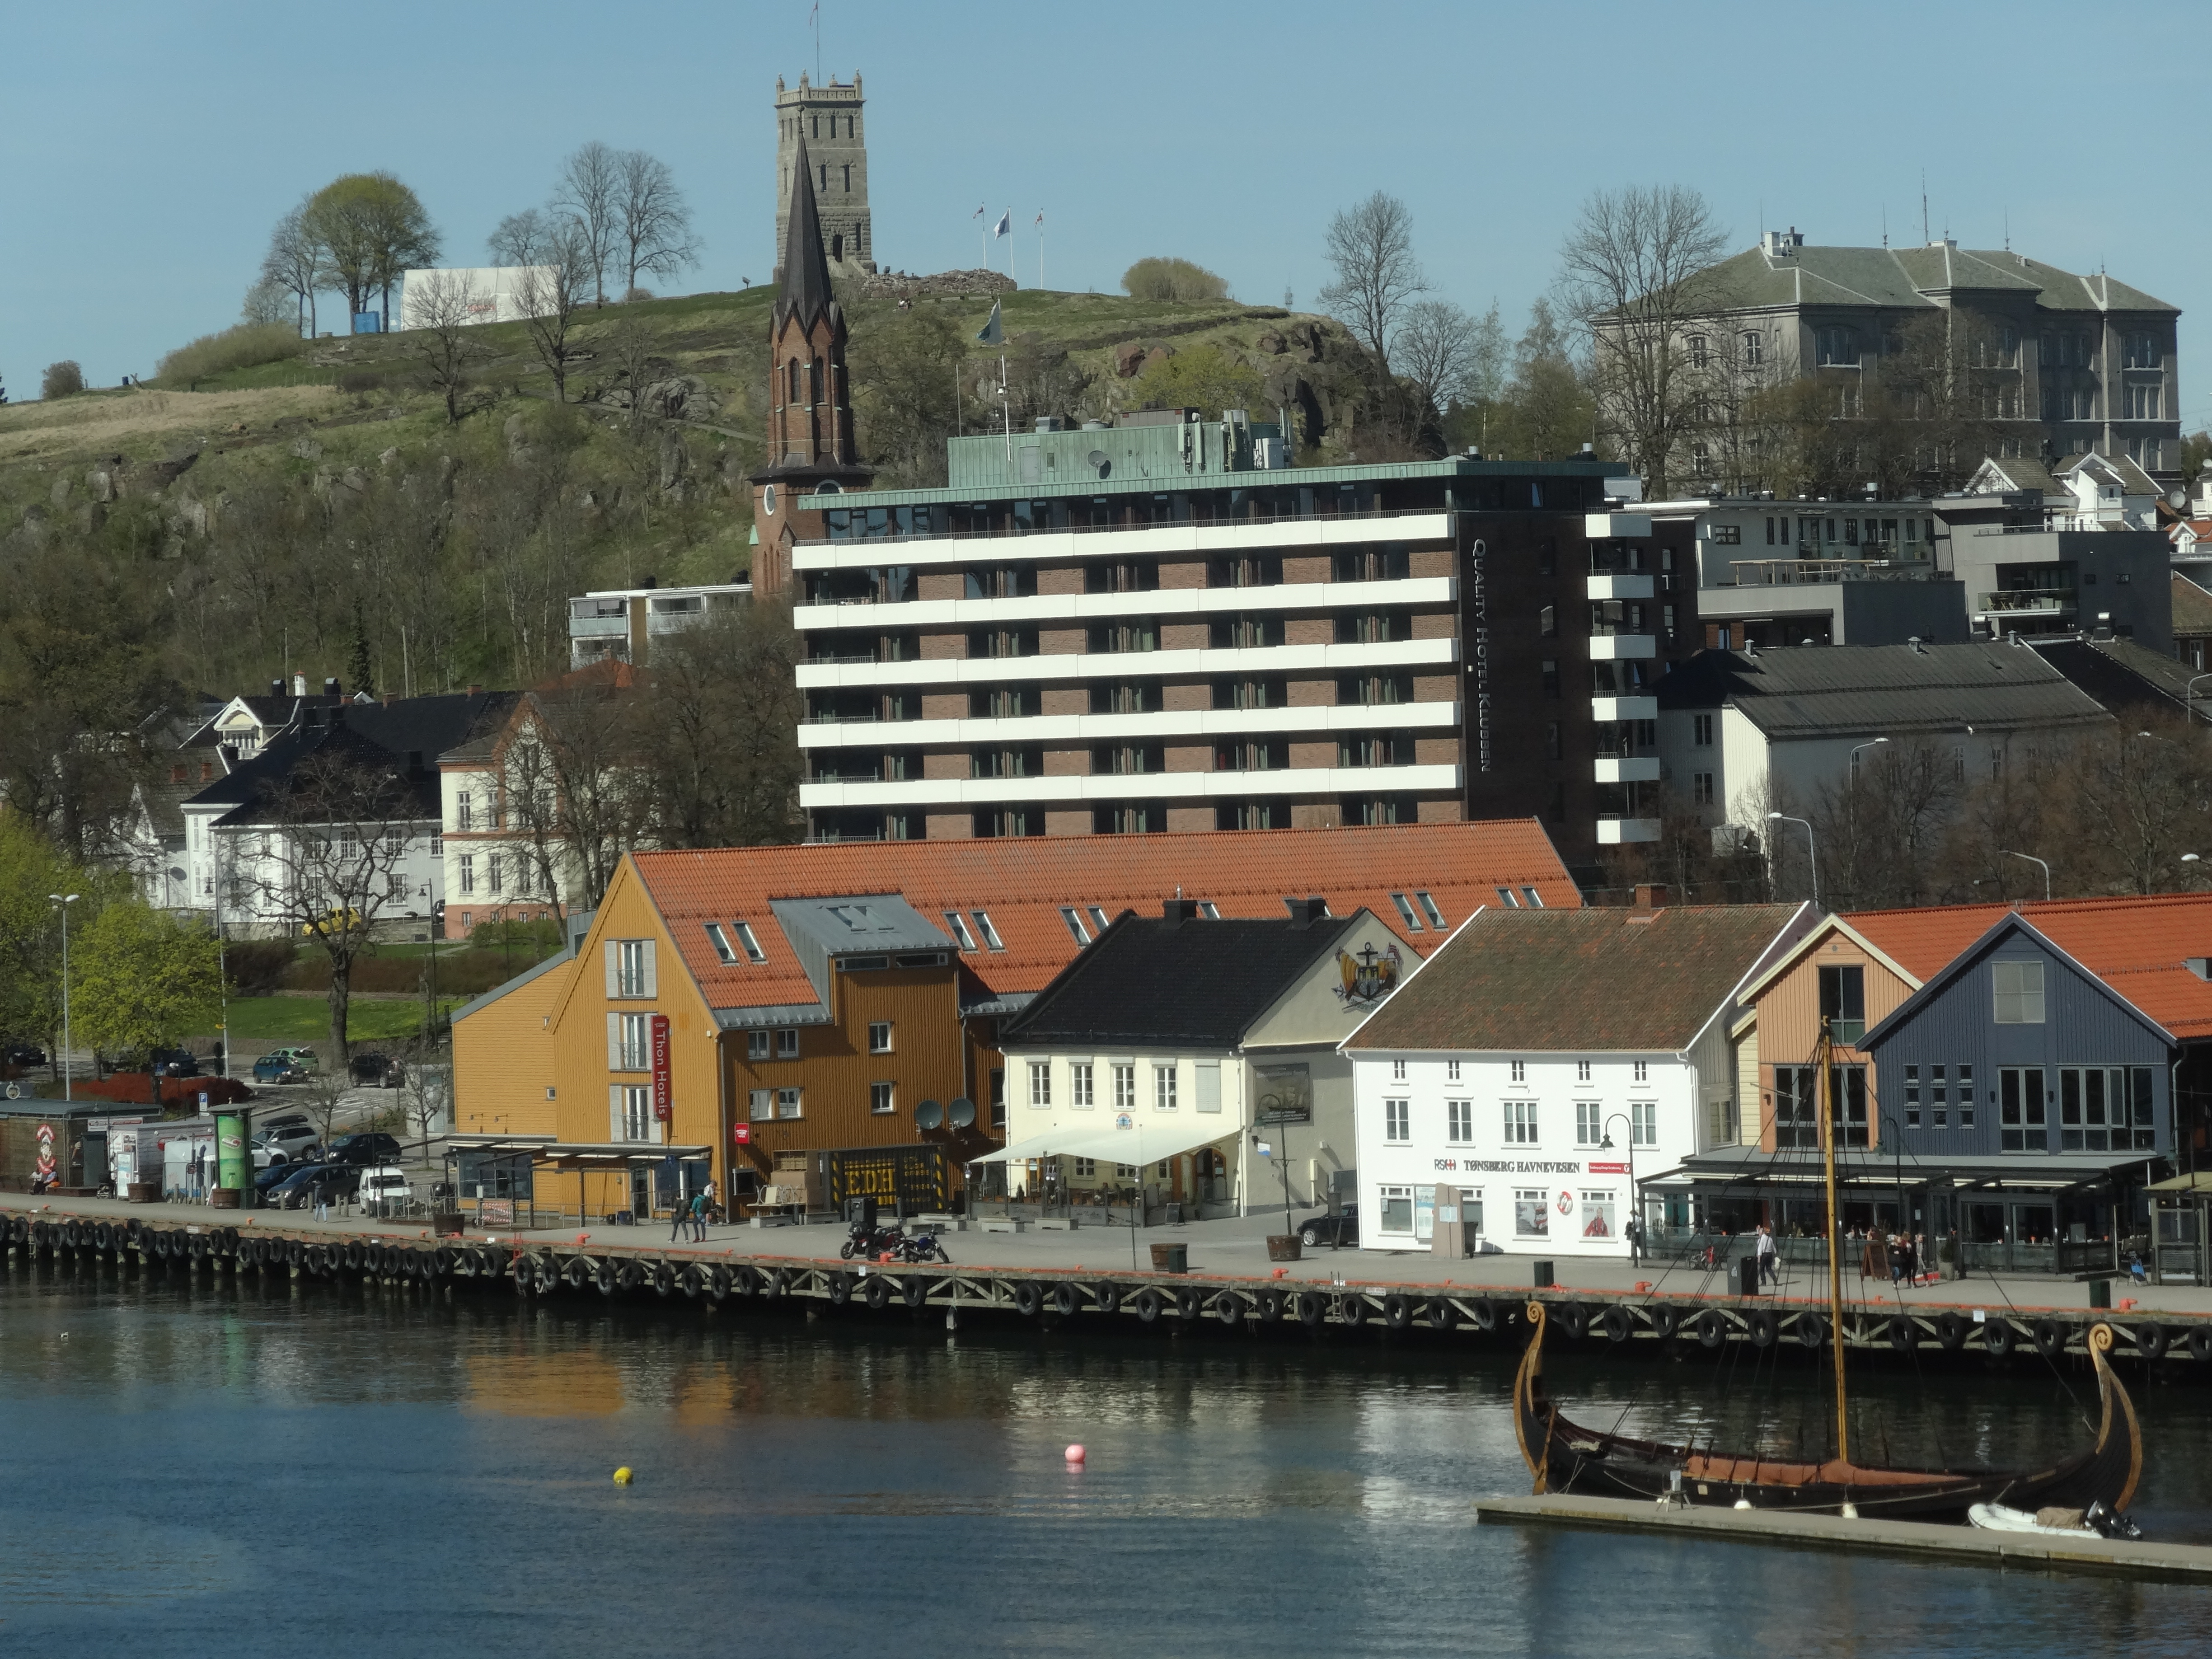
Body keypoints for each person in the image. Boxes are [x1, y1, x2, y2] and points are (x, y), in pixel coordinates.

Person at [1756, 1221, 1777, 1285]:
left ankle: (1764, 1282)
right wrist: (1775, 1254)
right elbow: (1774, 1248)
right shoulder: (1770, 1239)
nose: (1759, 1234)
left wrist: (1759, 1257)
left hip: (1764, 1255)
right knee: (1769, 1268)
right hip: (1770, 1255)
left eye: (1759, 1233)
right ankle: (1774, 1278)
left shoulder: (1760, 1240)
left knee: (1762, 1269)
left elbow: (1760, 1249)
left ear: (1761, 1233)